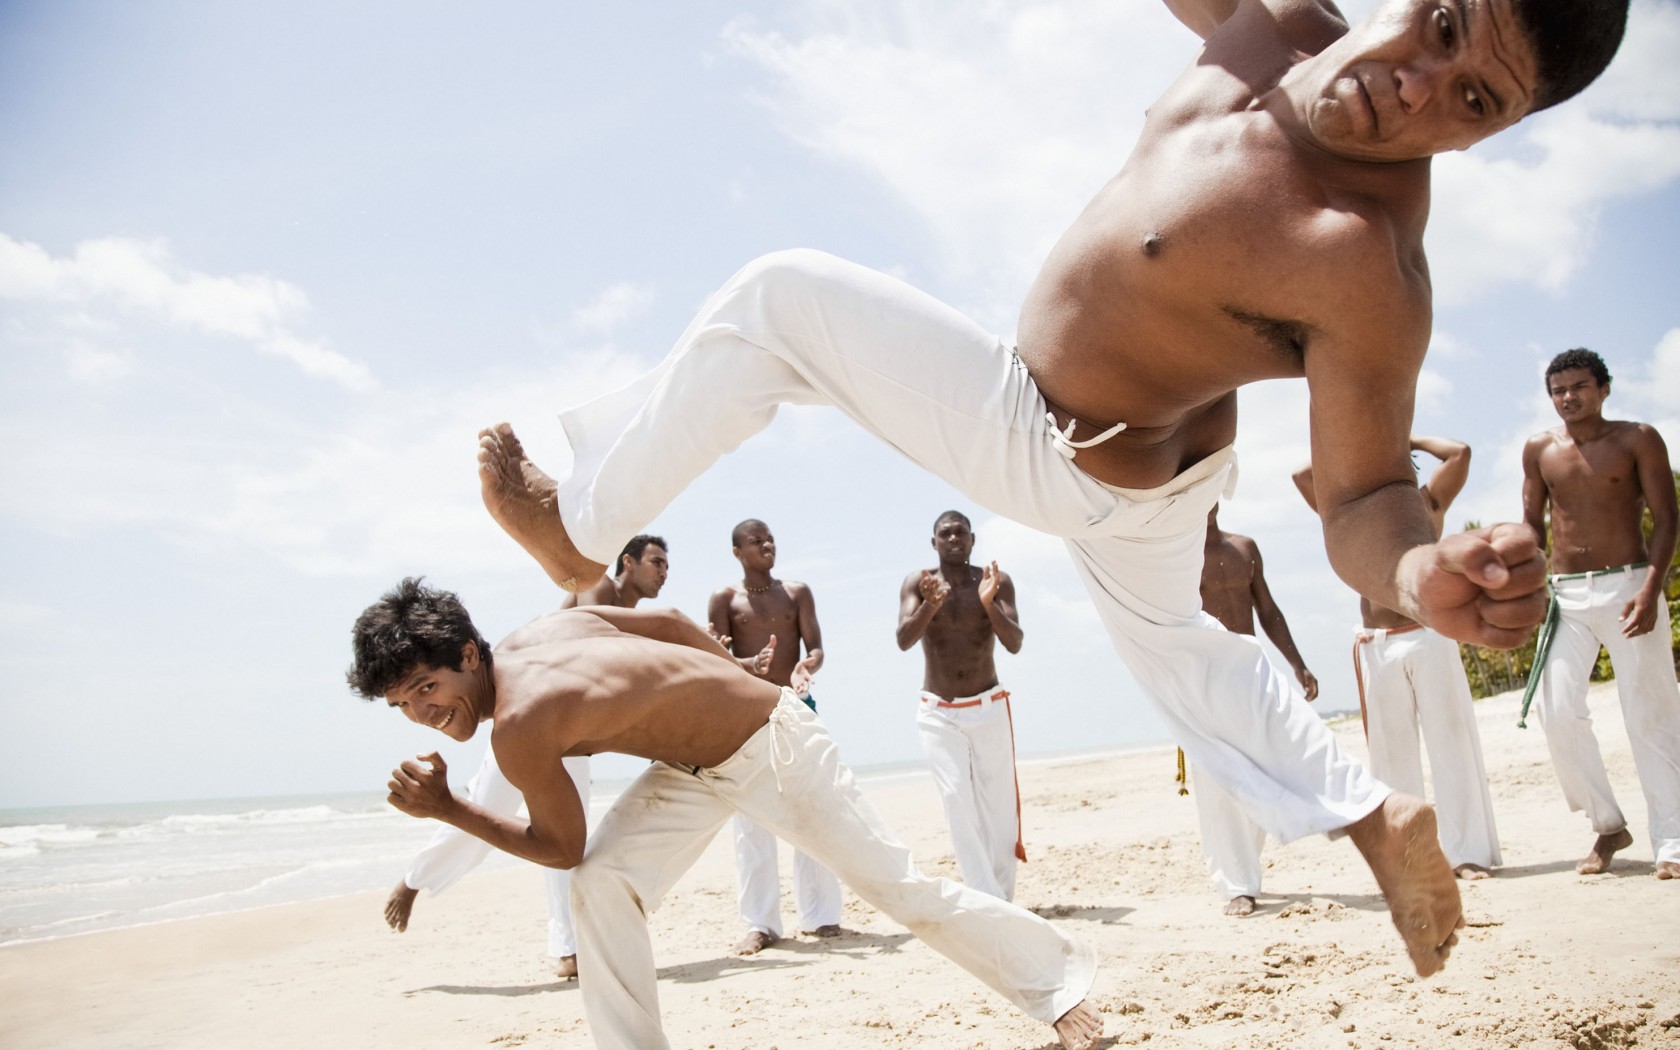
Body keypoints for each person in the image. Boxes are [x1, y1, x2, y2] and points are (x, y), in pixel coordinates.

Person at [470, 0, 1629, 976]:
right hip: (1160, 476)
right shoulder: (1275, 22)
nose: (1416, 89)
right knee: (1190, 658)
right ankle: (1381, 821)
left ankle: (580, 535)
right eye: (1443, 26)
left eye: (1472, 101)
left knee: (781, 302)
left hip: (1051, 436)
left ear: (1491, 139)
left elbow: (1365, 494)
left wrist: (1421, 569)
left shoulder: (1367, 260)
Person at [349, 579, 1104, 1050]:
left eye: (425, 687)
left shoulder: (519, 726)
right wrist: (725, 668)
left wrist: (449, 807)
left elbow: (561, 845)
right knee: (605, 886)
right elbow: (672, 620)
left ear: (469, 656)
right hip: (692, 767)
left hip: (774, 746)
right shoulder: (537, 635)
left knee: (897, 888)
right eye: (401, 705)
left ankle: (1057, 990)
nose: (421, 712)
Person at [382, 535, 670, 979]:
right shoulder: (598, 588)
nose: (663, 572)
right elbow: (601, 649)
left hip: (570, 728)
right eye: (655, 562)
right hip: (528, 720)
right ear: (627, 563)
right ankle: (414, 880)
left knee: (561, 834)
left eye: (666, 564)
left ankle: (568, 947)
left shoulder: (629, 611)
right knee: (483, 812)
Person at [1296, 437, 1503, 880]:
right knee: (1391, 760)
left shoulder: (1428, 504)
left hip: (1430, 636)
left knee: (1453, 747)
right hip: (1378, 644)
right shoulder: (1350, 514)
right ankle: (1413, 862)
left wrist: (1402, 437)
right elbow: (1302, 475)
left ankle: (1468, 854)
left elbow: (1460, 453)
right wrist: (1354, 447)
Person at [1520, 348, 1680, 879]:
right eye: (1559, 390)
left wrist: (1652, 588)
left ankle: (1672, 841)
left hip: (1631, 586)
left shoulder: (1638, 438)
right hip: (1565, 596)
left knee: (1649, 713)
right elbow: (1531, 529)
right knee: (1557, 710)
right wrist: (1532, 595)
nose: (1568, 397)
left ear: (1604, 388)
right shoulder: (1540, 448)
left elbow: (1667, 517)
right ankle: (1607, 823)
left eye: (1579, 386)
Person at [705, 519, 843, 954]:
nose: (766, 544)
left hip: (796, 707)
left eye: (769, 538)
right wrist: (742, 660)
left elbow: (815, 646)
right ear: (736, 552)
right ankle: (761, 924)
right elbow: (716, 654)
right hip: (746, 714)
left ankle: (821, 916)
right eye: (755, 540)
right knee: (752, 822)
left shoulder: (797, 592)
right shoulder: (723, 599)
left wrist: (806, 667)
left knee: (812, 808)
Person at [1193, 503, 1319, 916]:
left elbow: (1268, 610)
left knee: (1262, 773)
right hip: (1206, 678)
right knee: (1216, 786)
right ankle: (1236, 884)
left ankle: (1244, 870)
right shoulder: (1177, 555)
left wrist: (1298, 663)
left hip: (1253, 674)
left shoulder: (1244, 547)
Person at [896, 509, 1027, 900]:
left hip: (989, 706)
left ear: (972, 540)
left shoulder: (995, 581)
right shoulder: (919, 584)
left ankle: (1002, 897)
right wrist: (930, 606)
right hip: (938, 711)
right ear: (933, 542)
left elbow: (1015, 642)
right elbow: (903, 639)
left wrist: (988, 603)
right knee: (956, 799)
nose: (954, 539)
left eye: (961, 533)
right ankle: (984, 894)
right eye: (945, 534)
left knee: (998, 807)